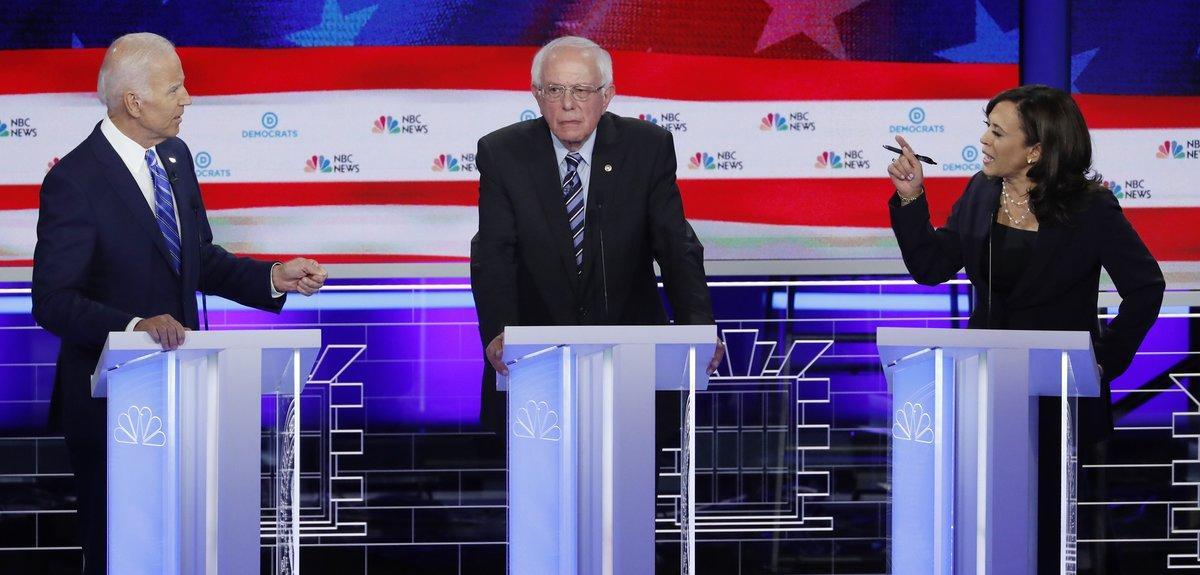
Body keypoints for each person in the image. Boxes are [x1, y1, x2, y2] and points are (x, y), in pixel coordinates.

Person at [31, 33, 328, 574]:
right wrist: (133, 326)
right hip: (111, 405)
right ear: (133, 102)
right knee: (122, 550)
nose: (187, 98)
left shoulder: (174, 156)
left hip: (187, 390)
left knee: (187, 548)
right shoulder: (74, 181)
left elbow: (197, 258)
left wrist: (273, 278)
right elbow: (53, 301)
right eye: (175, 88)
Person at [887, 84, 1164, 574]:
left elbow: (1145, 288)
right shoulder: (980, 190)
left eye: (997, 131)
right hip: (982, 394)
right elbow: (932, 266)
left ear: (1036, 150)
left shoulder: (1090, 209)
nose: (984, 141)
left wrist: (1104, 360)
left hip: (1056, 399)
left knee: (1044, 535)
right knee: (977, 530)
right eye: (986, 127)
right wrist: (912, 201)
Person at [470, 36, 724, 432]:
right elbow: (494, 253)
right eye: (555, 90)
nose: (568, 103)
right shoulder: (503, 153)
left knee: (632, 486)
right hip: (538, 361)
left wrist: (697, 328)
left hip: (632, 360)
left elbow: (676, 246)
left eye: (582, 90)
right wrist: (500, 332)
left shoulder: (647, 147)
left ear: (607, 95)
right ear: (537, 95)